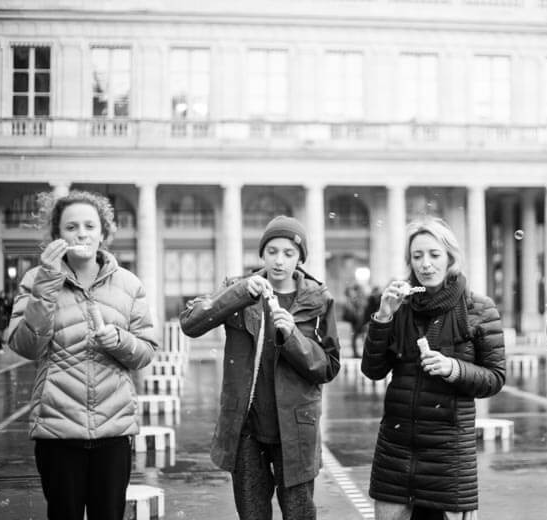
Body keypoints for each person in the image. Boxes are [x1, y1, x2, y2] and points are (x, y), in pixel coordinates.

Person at [7, 190, 157, 520]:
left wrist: (117, 340)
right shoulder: (36, 280)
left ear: (103, 232)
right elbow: (25, 346)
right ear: (57, 235)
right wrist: (47, 281)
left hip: (113, 432)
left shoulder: (129, 284)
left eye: (90, 225)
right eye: (71, 227)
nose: (81, 233)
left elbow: (146, 353)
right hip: (58, 432)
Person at [179, 215, 340, 520]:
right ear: (262, 254)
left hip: (296, 428)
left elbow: (328, 367)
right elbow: (190, 323)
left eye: (289, 253)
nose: (279, 261)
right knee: (252, 514)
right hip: (246, 427)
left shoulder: (319, 300)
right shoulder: (239, 290)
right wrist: (240, 293)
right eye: (272, 251)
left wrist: (293, 337)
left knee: (299, 514)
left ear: (300, 258)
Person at [361, 217, 506, 520]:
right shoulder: (399, 306)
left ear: (450, 258)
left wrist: (454, 368)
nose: (425, 264)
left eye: (434, 255)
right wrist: (384, 316)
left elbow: (494, 378)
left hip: (448, 454)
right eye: (417, 256)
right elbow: (373, 370)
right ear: (409, 261)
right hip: (396, 449)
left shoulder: (478, 308)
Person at [342, 284, 366, 357]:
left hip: (359, 321)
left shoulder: (357, 299)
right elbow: (349, 312)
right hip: (355, 321)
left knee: (362, 337)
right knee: (356, 337)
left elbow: (360, 309)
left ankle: (362, 353)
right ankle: (356, 353)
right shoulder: (348, 302)